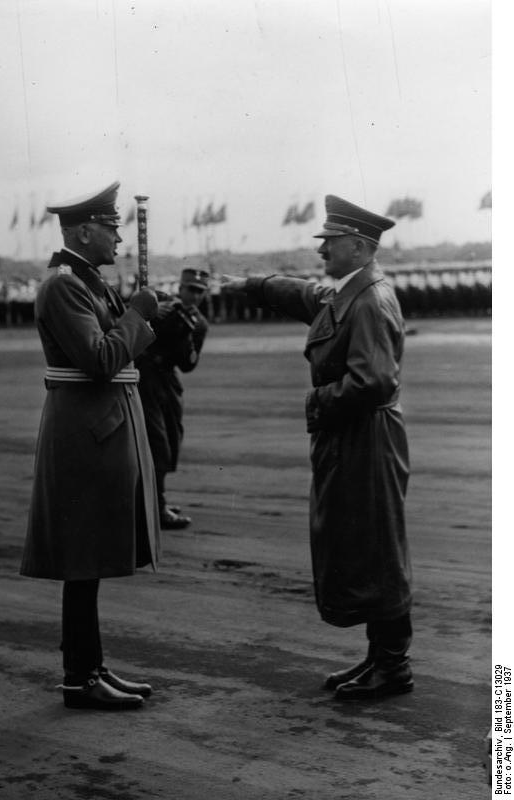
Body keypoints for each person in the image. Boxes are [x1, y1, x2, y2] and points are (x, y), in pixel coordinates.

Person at [223, 195, 413, 701]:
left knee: (378, 547)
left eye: (330, 243)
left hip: (365, 435)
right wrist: (254, 285)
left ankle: (393, 665)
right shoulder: (352, 291)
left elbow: (373, 380)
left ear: (358, 245)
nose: (321, 251)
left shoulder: (371, 299)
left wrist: (316, 402)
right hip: (354, 434)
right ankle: (380, 657)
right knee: (364, 542)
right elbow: (310, 298)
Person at [20, 181, 161, 711]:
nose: (120, 238)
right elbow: (101, 359)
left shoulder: (86, 281)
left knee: (91, 559)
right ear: (85, 231)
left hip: (97, 426)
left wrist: (142, 317)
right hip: (84, 431)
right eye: (112, 227)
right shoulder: (64, 286)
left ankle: (90, 668)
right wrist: (138, 313)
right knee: (83, 559)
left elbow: (120, 348)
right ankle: (80, 678)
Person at [137, 268, 209, 529]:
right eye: (190, 289)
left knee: (172, 436)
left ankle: (156, 498)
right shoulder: (160, 304)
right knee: (157, 443)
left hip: (167, 380)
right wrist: (153, 313)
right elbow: (127, 317)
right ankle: (156, 505)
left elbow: (189, 365)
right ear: (180, 288)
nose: (194, 295)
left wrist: (188, 335)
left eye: (200, 291)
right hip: (145, 376)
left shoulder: (199, 324)